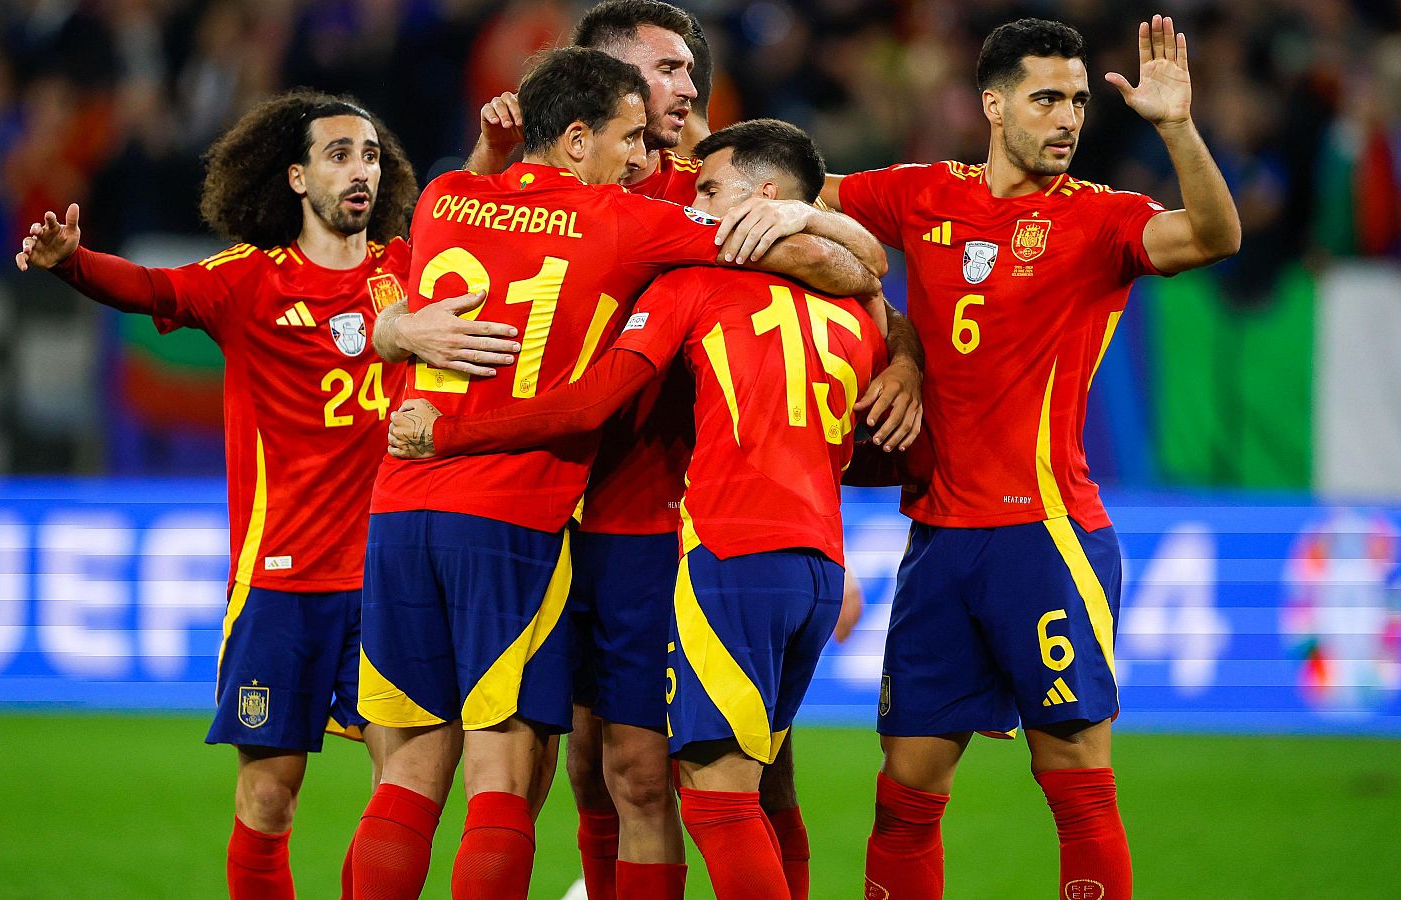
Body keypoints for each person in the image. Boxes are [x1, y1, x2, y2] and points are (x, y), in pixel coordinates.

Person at [348, 49, 880, 900]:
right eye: (628, 135)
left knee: (408, 772)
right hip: (516, 515)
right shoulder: (627, 220)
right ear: (575, 138)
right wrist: (838, 238)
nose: (641, 155)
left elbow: (395, 291)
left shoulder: (446, 195)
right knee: (505, 778)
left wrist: (391, 333)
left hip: (403, 505)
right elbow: (834, 266)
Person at [13, 90, 516, 900]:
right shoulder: (250, 279)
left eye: (370, 156)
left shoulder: (403, 270)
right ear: (295, 176)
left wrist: (492, 149)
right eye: (339, 155)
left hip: (388, 580)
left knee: (404, 792)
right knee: (267, 802)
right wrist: (72, 260)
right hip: (281, 583)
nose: (360, 171)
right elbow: (154, 289)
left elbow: (462, 209)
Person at [469, 6, 917, 900]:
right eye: (668, 69)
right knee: (589, 768)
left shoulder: (702, 185)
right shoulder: (540, 182)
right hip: (550, 511)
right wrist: (399, 324)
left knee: (696, 774)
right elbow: (441, 259)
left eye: (688, 69)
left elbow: (860, 281)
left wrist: (901, 355)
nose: (689, 86)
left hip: (673, 525)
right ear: (605, 81)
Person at [820, 16, 1241, 899]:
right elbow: (790, 193)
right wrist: (901, 346)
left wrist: (1176, 127)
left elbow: (1214, 235)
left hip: (1044, 539)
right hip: (938, 539)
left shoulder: (1099, 219)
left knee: (1077, 786)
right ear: (993, 104)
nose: (1068, 118)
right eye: (1047, 98)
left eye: (1079, 101)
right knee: (904, 794)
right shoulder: (923, 194)